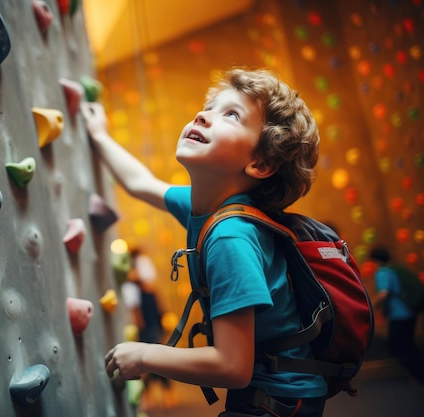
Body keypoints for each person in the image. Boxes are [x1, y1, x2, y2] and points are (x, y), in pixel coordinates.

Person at [82, 68, 327, 417]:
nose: (203, 115)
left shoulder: (231, 238)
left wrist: (143, 354)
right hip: (275, 396)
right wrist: (99, 135)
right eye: (209, 107)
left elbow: (232, 366)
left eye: (231, 114)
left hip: (278, 403)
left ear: (260, 163)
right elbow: (140, 182)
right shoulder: (206, 206)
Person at [121, 247, 175, 410]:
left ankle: (167, 392)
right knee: (146, 358)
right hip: (144, 320)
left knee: (156, 354)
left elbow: (149, 285)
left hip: (151, 317)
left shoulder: (141, 263)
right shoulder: (130, 277)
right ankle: (150, 395)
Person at [369, 245, 424, 384]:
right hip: (409, 311)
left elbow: (384, 293)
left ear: (375, 260)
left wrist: (370, 305)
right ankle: (418, 373)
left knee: (396, 346)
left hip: (399, 314)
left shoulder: (382, 272)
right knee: (408, 344)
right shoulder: (395, 269)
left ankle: (419, 374)